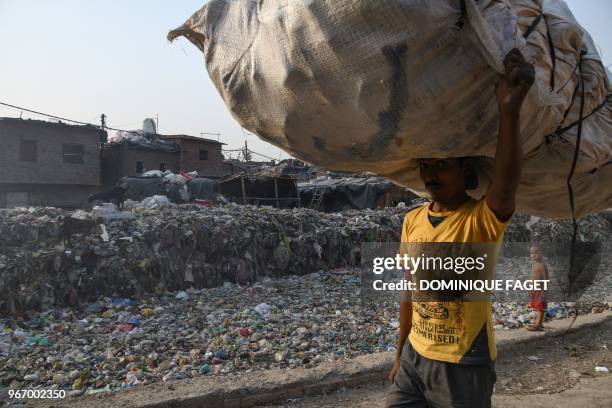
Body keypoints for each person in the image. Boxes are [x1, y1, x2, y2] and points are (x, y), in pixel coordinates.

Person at [386, 48, 535, 408]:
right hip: (413, 357)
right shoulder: (413, 219)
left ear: (465, 170)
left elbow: (505, 184)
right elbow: (410, 289)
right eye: (425, 165)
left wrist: (508, 110)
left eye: (442, 164)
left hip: (463, 361)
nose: (430, 173)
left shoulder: (480, 220)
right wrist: (401, 350)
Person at [527, 243, 549, 331]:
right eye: (532, 253)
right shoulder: (534, 265)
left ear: (542, 254)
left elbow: (545, 278)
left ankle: (539, 324)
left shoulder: (542, 265)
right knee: (537, 306)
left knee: (540, 307)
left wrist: (544, 290)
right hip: (534, 289)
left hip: (540, 289)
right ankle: (538, 322)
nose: (534, 255)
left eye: (536, 253)